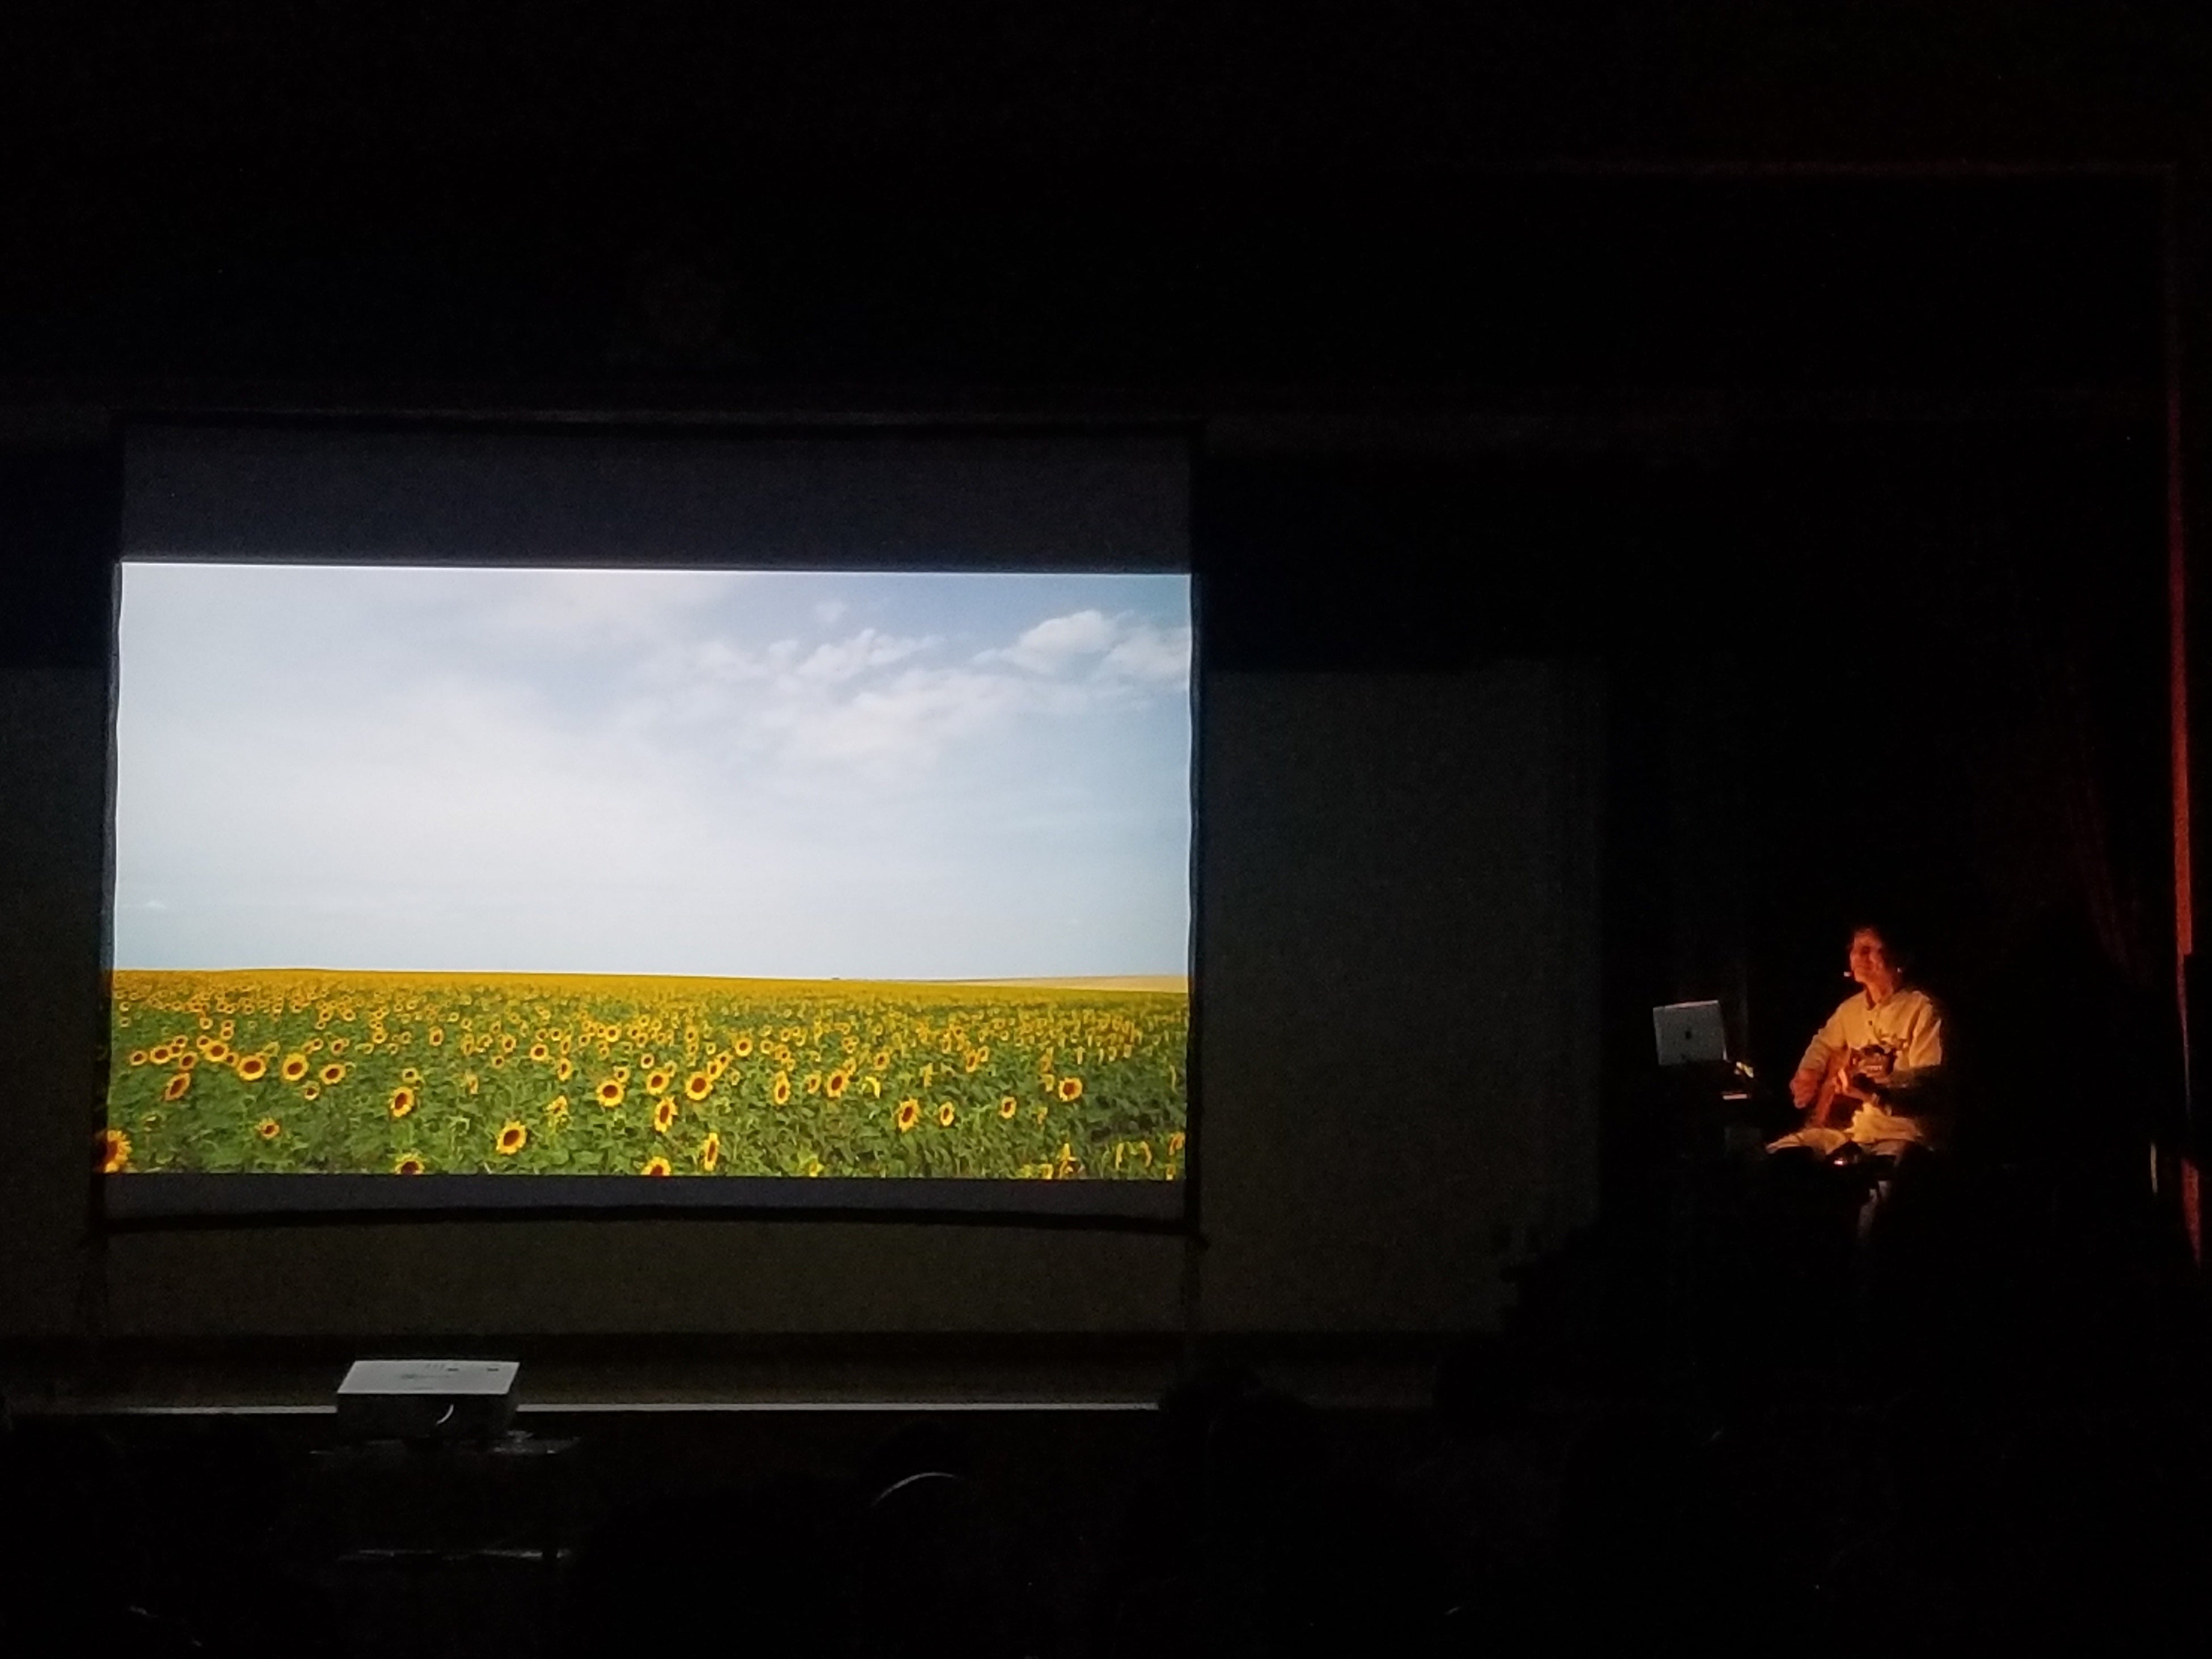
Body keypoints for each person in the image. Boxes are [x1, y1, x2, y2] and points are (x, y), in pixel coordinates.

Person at [1768, 923, 1947, 1165]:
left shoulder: (1924, 1010)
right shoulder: (1850, 1010)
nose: (1858, 956)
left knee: (1875, 1186)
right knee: (1779, 1155)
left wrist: (1876, 1091)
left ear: (1900, 958)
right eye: (1854, 950)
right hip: (1851, 1134)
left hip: (1903, 1136)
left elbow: (1930, 1086)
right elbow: (1823, 1044)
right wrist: (1809, 1073)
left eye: (1869, 949)